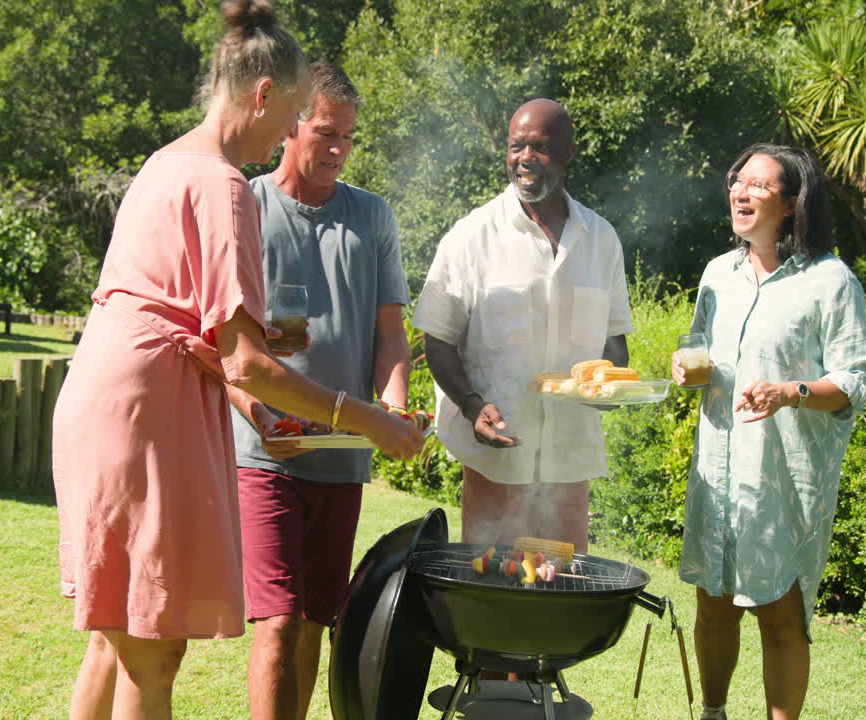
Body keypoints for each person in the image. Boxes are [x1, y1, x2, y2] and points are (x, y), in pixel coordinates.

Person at [50, 3, 423, 718]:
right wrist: (366, 419)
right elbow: (246, 367)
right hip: (141, 416)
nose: (286, 131)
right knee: (154, 648)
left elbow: (165, 307)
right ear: (263, 95)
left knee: (118, 636)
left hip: (101, 399)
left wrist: (251, 343)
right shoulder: (224, 185)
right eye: (290, 114)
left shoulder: (168, 160)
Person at [225, 62, 411, 720]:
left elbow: (391, 333)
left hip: (342, 452)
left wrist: (392, 410)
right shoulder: (246, 205)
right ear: (289, 127)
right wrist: (256, 411)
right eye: (325, 132)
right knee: (275, 622)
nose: (337, 148)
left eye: (349, 138)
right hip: (265, 452)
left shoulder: (373, 217)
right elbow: (223, 346)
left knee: (315, 622)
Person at [671, 143, 866, 720]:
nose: (742, 191)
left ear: (791, 203)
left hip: (781, 477)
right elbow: (697, 349)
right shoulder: (717, 275)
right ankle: (713, 712)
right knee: (712, 605)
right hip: (719, 469)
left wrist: (794, 391)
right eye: (739, 181)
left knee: (781, 615)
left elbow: (854, 379)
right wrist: (686, 367)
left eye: (759, 185)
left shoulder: (830, 281)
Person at [412, 98, 633, 555]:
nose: (524, 159)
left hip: (569, 459)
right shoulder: (472, 236)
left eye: (540, 148)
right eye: (516, 147)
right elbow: (438, 339)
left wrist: (612, 388)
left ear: (569, 152)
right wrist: (472, 406)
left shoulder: (601, 240)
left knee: (562, 590)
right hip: (499, 457)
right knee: (494, 588)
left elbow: (615, 342)